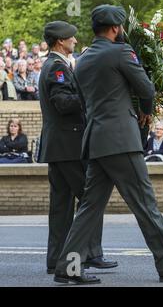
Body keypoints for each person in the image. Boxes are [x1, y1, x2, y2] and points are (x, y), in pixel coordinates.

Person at [53, 4, 163, 285]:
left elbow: (85, 102)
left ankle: (68, 267)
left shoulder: (82, 60)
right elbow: (146, 88)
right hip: (121, 140)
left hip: (96, 139)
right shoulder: (121, 51)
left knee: (89, 209)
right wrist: (146, 110)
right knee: (145, 203)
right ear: (115, 28)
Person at [38, 21, 117, 275]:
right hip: (69, 145)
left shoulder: (55, 65)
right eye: (71, 38)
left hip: (59, 146)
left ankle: (56, 259)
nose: (75, 40)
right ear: (61, 41)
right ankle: (91, 254)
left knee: (60, 207)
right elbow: (63, 103)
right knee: (89, 200)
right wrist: (88, 93)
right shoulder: (56, 67)